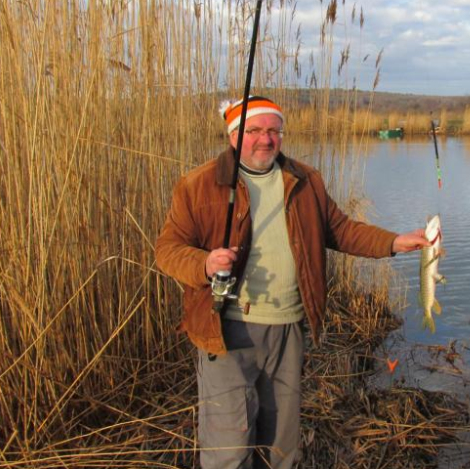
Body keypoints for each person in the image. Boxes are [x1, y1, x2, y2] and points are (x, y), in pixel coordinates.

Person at [155, 96, 429, 469]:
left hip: (288, 329)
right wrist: (205, 263)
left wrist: (394, 242)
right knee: (228, 449)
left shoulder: (305, 180)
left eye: (273, 130)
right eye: (254, 130)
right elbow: (167, 250)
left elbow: (341, 230)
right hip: (225, 331)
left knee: (281, 447)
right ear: (233, 135)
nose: (265, 139)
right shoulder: (198, 184)